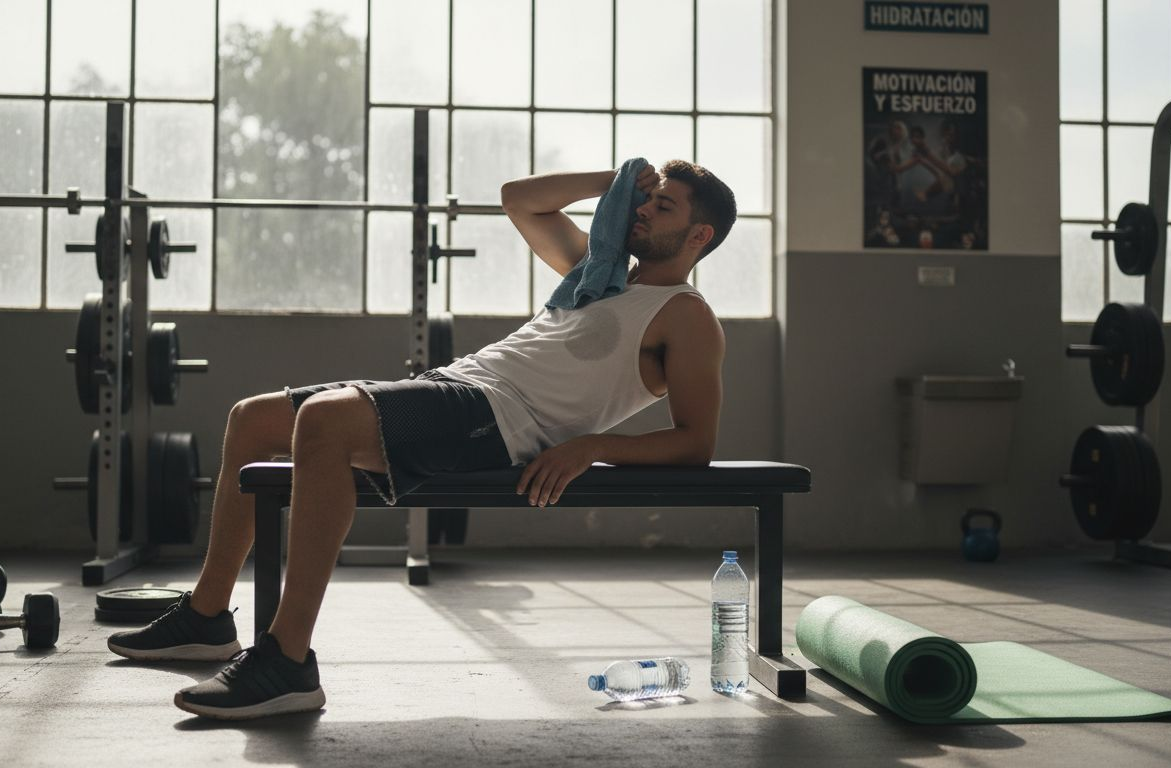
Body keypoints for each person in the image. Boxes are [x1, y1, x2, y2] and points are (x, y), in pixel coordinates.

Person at [106, 159, 738, 720]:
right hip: (457, 386)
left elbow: (695, 442)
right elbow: (519, 197)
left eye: (664, 205)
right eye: (649, 198)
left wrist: (591, 446)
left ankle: (287, 660)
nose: (645, 209)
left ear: (698, 235)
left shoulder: (686, 316)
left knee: (322, 421)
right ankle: (209, 616)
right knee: (252, 418)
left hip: (499, 421)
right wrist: (619, 180)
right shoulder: (597, 272)